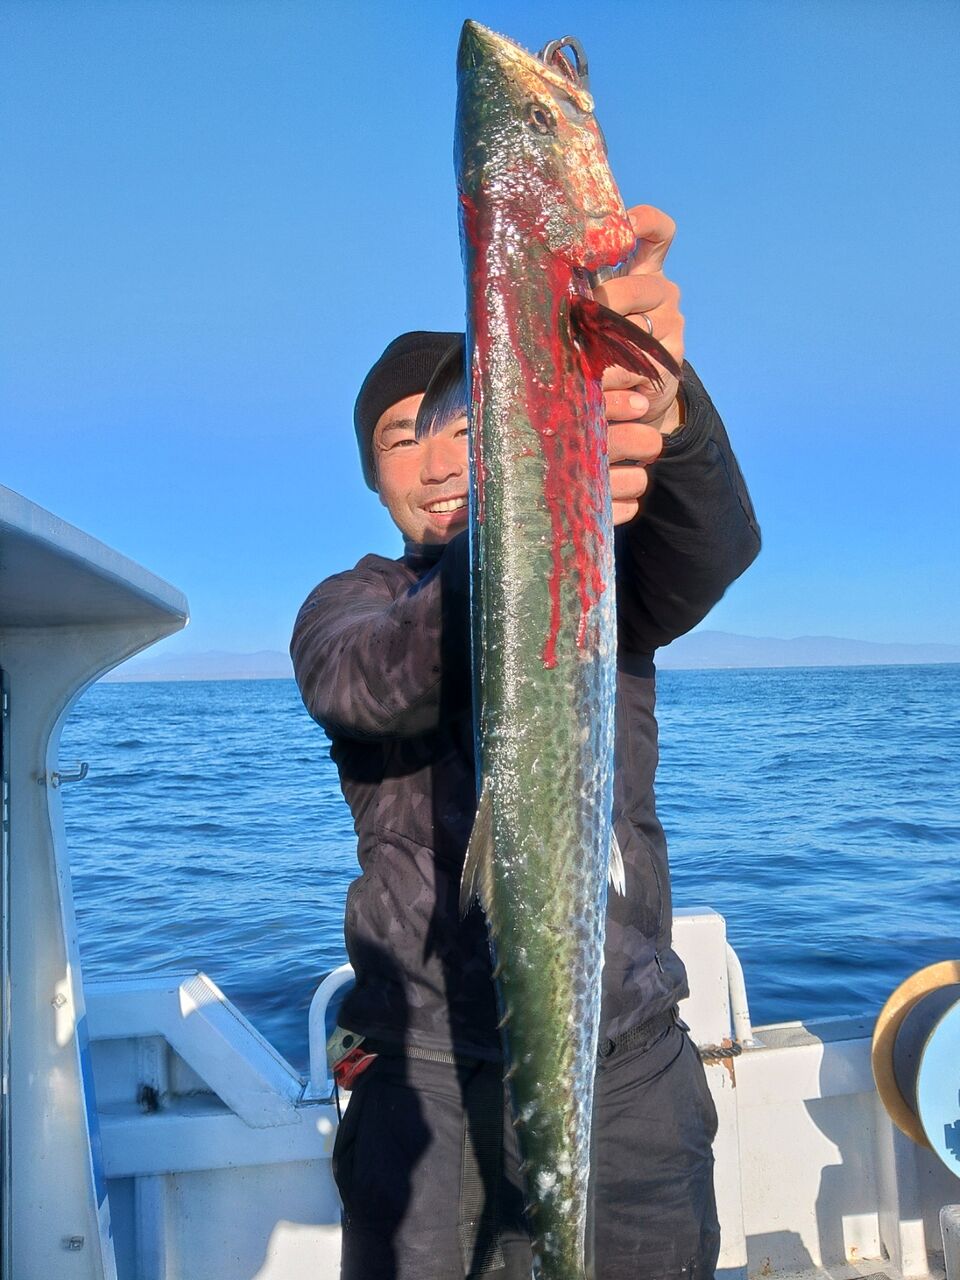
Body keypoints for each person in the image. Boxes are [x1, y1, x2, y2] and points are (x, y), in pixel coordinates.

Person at [292, 206, 760, 1280]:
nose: (438, 457)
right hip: (422, 1069)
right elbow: (364, 680)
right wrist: (531, 520)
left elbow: (716, 544)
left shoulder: (606, 568)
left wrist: (666, 411)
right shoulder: (348, 605)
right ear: (372, 477)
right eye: (400, 437)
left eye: (467, 422)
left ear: (510, 424)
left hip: (625, 1057)